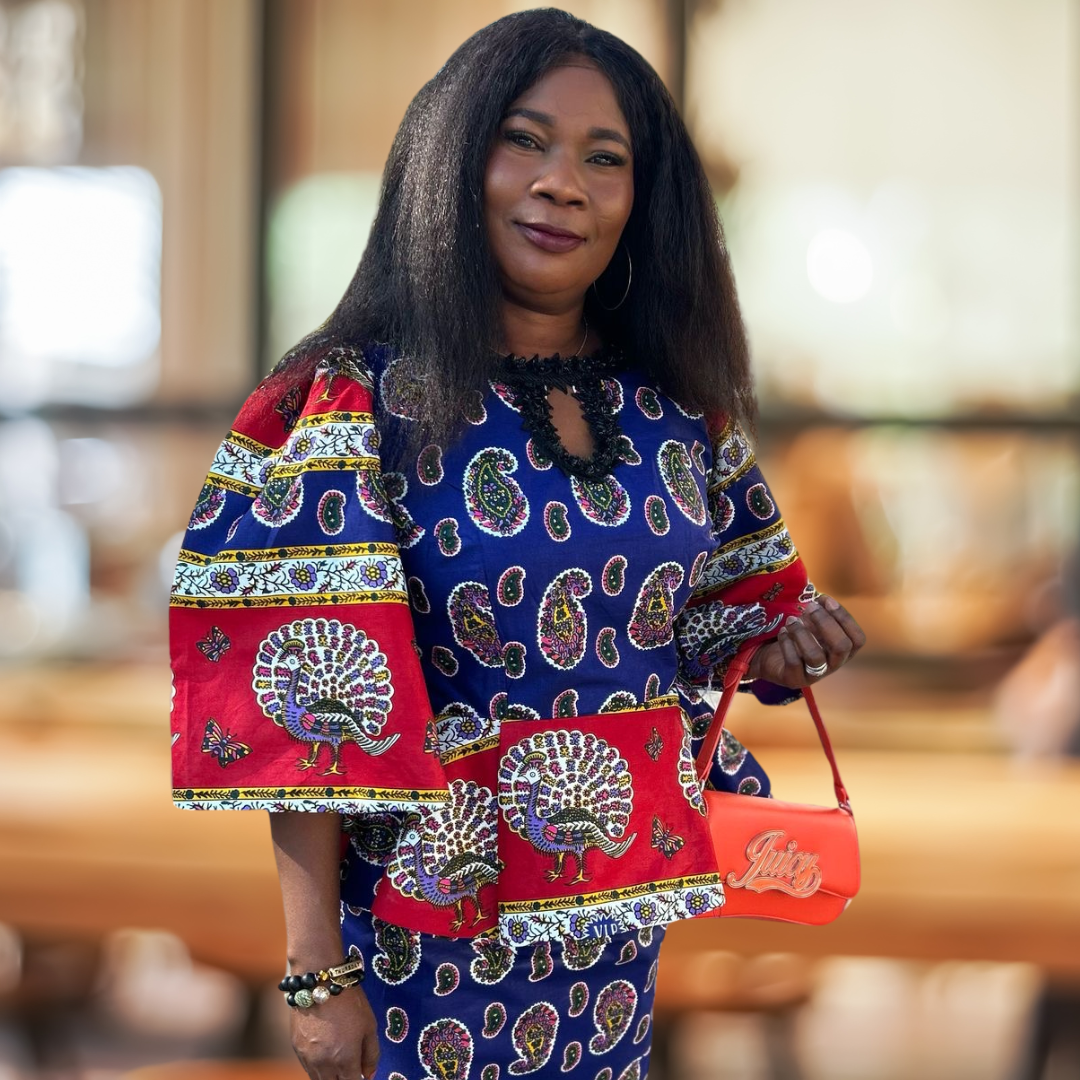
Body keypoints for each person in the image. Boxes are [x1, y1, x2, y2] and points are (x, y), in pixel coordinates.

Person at [169, 9, 865, 1079]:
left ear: (643, 202)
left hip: (617, 928)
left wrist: (781, 645)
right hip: (427, 937)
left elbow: (719, 620)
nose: (562, 184)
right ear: (453, 160)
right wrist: (316, 975)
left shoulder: (679, 411)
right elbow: (312, 720)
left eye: (604, 158)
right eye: (524, 141)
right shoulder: (359, 404)